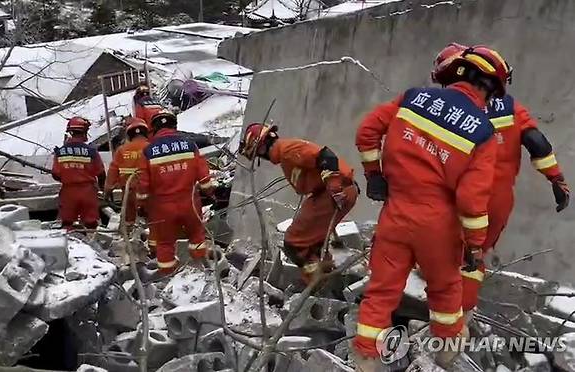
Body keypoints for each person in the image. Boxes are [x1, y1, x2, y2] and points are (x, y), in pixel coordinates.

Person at [353, 46, 511, 369]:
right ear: (492, 90)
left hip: (395, 215)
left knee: (381, 293)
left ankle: (364, 362)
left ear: (457, 71)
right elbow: (470, 201)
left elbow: (367, 131)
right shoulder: (482, 133)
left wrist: (374, 175)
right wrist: (474, 246)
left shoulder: (412, 98)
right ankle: (446, 357)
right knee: (446, 292)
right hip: (439, 229)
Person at [431, 43, 570, 312]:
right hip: (498, 201)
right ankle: (462, 314)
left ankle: (431, 310)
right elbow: (536, 142)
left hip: (459, 196)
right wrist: (557, 179)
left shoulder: (450, 108)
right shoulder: (510, 107)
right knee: (474, 257)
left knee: (439, 250)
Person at [238, 124, 358, 284]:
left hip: (334, 192)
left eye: (257, 154)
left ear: (260, 148)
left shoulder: (288, 150)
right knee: (314, 243)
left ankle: (318, 280)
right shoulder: (286, 153)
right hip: (335, 191)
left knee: (294, 243)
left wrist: (334, 185)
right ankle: (328, 278)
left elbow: (326, 156)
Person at [135, 109, 215, 275]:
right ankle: (202, 271)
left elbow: (143, 184)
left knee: (165, 243)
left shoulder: (149, 151)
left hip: (162, 208)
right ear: (174, 125)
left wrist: (141, 205)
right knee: (197, 236)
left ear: (154, 128)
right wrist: (209, 192)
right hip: (190, 203)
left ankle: (168, 276)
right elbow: (204, 175)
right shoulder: (189, 145)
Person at [52, 117, 106, 231]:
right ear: (85, 132)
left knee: (67, 224)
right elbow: (101, 173)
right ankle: (93, 246)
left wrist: (69, 175)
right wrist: (103, 190)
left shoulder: (60, 152)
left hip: (68, 192)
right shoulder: (91, 152)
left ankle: (69, 246)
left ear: (70, 132)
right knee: (91, 225)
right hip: (88, 192)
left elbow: (55, 174)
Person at [104, 117, 150, 228]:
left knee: (130, 223)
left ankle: (130, 241)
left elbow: (113, 171)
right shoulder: (151, 148)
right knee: (149, 223)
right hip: (148, 194)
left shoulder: (121, 150)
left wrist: (107, 191)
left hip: (127, 194)